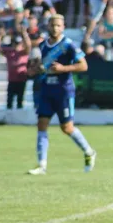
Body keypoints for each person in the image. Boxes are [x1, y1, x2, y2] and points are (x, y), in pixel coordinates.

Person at [26, 15, 96, 175]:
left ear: (62, 27)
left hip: (63, 90)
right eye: (52, 25)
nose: (55, 28)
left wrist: (63, 69)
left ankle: (89, 151)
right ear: (48, 27)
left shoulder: (68, 45)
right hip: (46, 89)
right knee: (42, 124)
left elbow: (83, 65)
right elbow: (40, 67)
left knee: (67, 128)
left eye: (58, 25)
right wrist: (35, 69)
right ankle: (41, 165)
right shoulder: (42, 46)